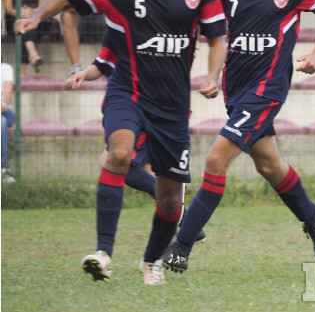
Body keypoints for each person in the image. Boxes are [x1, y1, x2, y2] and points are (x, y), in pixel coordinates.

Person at [15, 0, 227, 286]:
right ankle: (103, 252)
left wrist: (214, 74)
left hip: (173, 106)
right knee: (119, 153)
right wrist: (34, 17)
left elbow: (218, 37)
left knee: (170, 200)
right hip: (127, 91)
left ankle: (150, 262)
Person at [162, 0, 315, 274]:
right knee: (269, 165)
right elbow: (210, 30)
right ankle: (312, 215)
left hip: (268, 87)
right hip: (236, 87)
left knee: (214, 160)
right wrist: (211, 74)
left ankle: (180, 247)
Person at [65, 41, 208, 245]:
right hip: (144, 107)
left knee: (111, 161)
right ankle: (186, 225)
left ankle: (185, 220)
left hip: (151, 108)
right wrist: (83, 75)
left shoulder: (148, 24)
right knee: (146, 172)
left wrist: (188, 41)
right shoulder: (124, 26)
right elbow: (102, 62)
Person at [1, 58, 16, 183]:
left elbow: (6, 99)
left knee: (2, 120)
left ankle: (3, 168)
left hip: (5, 110)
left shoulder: (6, 68)